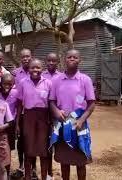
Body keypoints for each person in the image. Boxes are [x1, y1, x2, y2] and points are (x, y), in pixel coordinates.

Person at [49, 49, 95, 180]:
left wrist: (81, 120)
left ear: (80, 60)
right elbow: (51, 101)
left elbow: (91, 103)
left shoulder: (85, 80)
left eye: (75, 57)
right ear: (65, 59)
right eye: (69, 57)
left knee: (81, 161)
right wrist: (56, 112)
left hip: (79, 125)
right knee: (65, 161)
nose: (72, 59)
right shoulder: (57, 80)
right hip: (63, 125)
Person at [16, 59, 52, 180]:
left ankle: (43, 176)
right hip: (28, 117)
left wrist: (51, 122)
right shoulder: (23, 82)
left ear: (42, 69)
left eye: (38, 67)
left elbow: (51, 104)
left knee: (43, 151)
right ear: (28, 69)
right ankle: (27, 176)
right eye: (32, 68)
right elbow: (20, 104)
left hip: (43, 118)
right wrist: (17, 123)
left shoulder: (48, 83)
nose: (35, 70)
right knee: (29, 150)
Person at [11, 49, 38, 179]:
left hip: (34, 114)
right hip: (20, 113)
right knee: (21, 142)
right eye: (23, 57)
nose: (25, 59)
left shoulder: (37, 72)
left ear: (31, 57)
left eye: (28, 56)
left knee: (33, 141)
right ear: (20, 58)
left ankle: (33, 168)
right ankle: (21, 166)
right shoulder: (15, 74)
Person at [42, 52, 62, 180]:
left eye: (53, 61)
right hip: (44, 114)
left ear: (58, 62)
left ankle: (61, 170)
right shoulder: (41, 75)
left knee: (58, 143)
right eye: (48, 60)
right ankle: (48, 173)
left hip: (57, 114)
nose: (51, 63)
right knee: (46, 145)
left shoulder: (61, 77)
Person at [0, 74, 18, 176]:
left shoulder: (15, 93)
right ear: (1, 84)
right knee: (0, 147)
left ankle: (7, 170)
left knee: (9, 149)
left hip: (11, 125)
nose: (7, 86)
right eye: (4, 84)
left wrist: (17, 124)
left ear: (13, 84)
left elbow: (19, 108)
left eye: (9, 84)